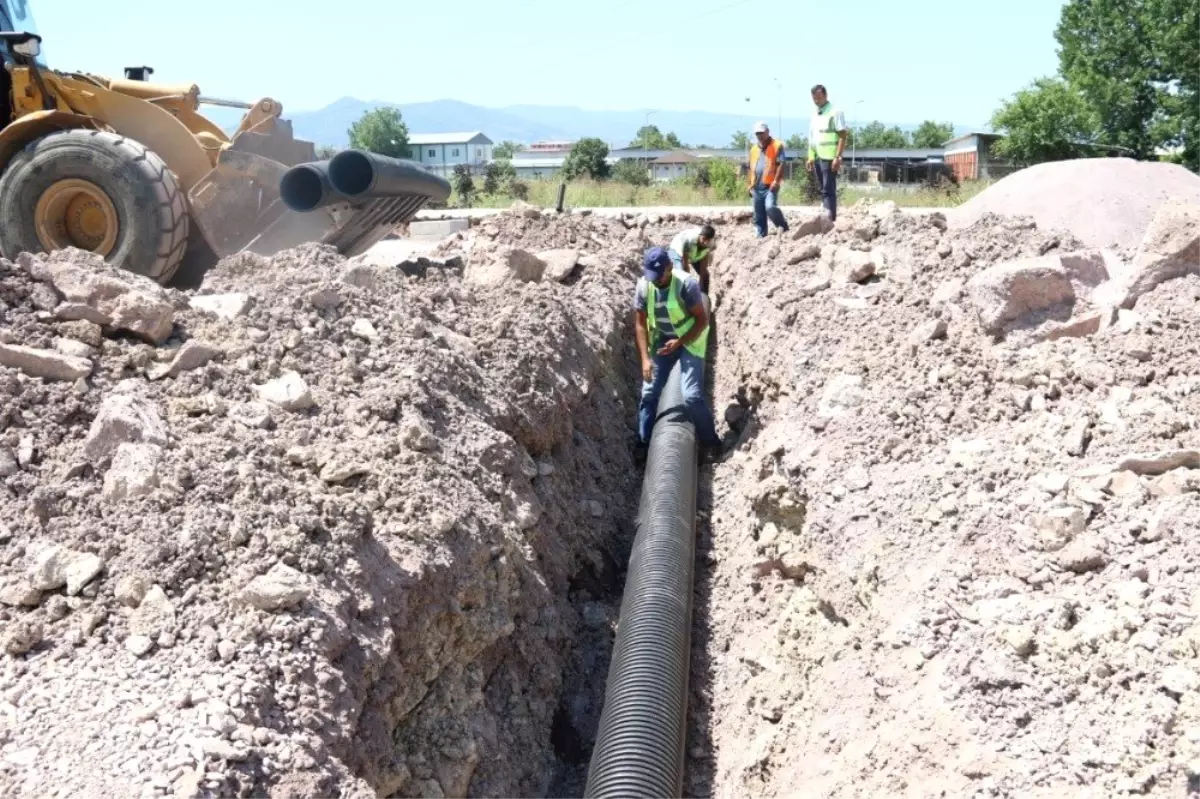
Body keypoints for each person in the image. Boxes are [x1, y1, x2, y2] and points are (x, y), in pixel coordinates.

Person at [632, 246, 723, 459]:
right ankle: (643, 443)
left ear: (670, 268)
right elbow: (639, 325)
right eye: (651, 275)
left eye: (659, 275)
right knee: (649, 393)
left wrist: (680, 341)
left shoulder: (686, 285)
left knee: (691, 396)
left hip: (689, 340)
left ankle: (711, 443)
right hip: (663, 341)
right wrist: (645, 358)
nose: (655, 280)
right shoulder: (644, 286)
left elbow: (702, 320)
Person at [806, 84, 849, 222]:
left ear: (825, 95)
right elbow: (812, 137)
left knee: (828, 190)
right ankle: (826, 217)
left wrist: (838, 156)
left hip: (830, 157)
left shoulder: (835, 112)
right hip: (818, 156)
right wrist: (810, 156)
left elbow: (842, 135)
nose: (816, 101)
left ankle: (829, 220)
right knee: (823, 190)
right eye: (814, 99)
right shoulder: (815, 114)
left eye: (818, 98)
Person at [747, 122, 789, 238]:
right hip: (756, 186)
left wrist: (776, 181)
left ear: (767, 132)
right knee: (759, 214)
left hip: (770, 185)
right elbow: (750, 168)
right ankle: (761, 237)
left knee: (770, 207)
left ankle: (782, 226)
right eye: (758, 133)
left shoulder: (777, 145)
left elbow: (781, 164)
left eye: (762, 133)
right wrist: (749, 185)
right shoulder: (754, 149)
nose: (760, 136)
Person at [668, 224, 716, 294]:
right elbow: (685, 266)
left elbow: (703, 268)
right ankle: (679, 298)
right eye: (704, 239)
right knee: (680, 274)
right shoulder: (690, 239)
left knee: (705, 275)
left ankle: (704, 298)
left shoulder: (710, 244)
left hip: (694, 253)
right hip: (677, 250)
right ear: (700, 235)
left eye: (707, 240)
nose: (705, 242)